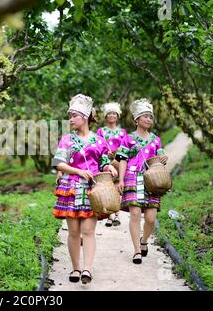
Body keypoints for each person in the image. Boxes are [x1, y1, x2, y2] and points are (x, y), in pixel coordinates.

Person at [52, 94, 118, 284]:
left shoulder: (99, 140)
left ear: (86, 116)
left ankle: (87, 269)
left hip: (93, 190)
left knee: (88, 231)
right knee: (73, 232)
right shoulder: (66, 139)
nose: (71, 119)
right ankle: (75, 268)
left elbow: (103, 161)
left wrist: (110, 167)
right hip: (71, 188)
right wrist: (79, 172)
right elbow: (59, 164)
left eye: (74, 115)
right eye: (70, 115)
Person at [115, 99, 168, 264]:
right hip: (132, 177)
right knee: (135, 214)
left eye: (151, 117)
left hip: (152, 180)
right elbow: (122, 160)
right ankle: (137, 250)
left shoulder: (156, 140)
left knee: (151, 218)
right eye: (145, 116)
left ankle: (144, 240)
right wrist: (121, 179)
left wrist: (163, 158)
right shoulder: (128, 138)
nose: (149, 119)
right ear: (136, 119)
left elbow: (158, 159)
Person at [96, 102, 128, 227]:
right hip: (105, 161)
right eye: (109, 113)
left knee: (117, 187)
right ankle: (110, 216)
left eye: (114, 113)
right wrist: (106, 153)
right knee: (108, 186)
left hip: (118, 161)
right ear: (105, 116)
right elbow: (98, 146)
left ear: (117, 116)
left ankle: (116, 214)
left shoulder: (122, 132)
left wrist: (116, 152)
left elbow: (125, 147)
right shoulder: (101, 131)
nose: (112, 115)